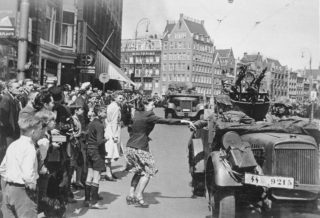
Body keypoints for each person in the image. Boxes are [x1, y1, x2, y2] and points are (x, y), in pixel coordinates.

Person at [125, 97, 193, 207]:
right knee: (148, 172)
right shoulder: (149, 115)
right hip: (140, 147)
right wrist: (183, 121)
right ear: (146, 105)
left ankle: (130, 194)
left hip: (130, 146)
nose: (154, 107)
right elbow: (166, 121)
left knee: (138, 171)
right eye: (152, 105)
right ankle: (139, 195)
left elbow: (132, 128)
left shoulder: (137, 113)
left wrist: (142, 135)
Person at [0, 111, 46, 217]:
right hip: (24, 192)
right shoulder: (29, 148)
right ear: (33, 131)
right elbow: (28, 174)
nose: (41, 132)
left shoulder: (13, 145)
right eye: (39, 130)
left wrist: (6, 188)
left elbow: (2, 169)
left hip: (9, 190)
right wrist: (32, 185)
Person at [84, 105, 108, 209]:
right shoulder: (100, 125)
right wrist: (106, 139)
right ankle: (94, 202)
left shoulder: (91, 123)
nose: (106, 114)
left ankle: (87, 199)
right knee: (97, 176)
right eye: (104, 112)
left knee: (89, 174)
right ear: (99, 113)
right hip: (97, 151)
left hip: (89, 150)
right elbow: (99, 141)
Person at [104, 93, 123, 181]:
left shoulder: (112, 105)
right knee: (110, 151)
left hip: (110, 128)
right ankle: (108, 173)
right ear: (114, 98)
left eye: (122, 98)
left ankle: (109, 171)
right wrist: (115, 135)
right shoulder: (115, 107)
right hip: (112, 130)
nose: (121, 99)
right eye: (119, 98)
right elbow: (114, 121)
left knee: (111, 151)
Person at [0, 80, 21, 148]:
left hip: (13, 132)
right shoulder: (6, 98)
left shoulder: (13, 99)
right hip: (8, 134)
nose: (19, 89)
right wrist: (9, 130)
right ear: (10, 89)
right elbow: (3, 118)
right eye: (17, 87)